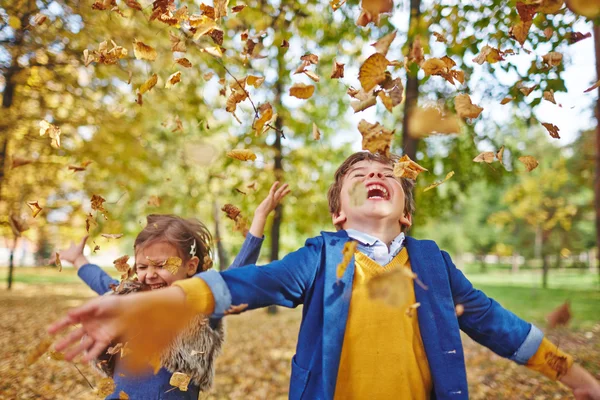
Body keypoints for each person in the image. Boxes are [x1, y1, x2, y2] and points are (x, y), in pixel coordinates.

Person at [49, 152, 600, 400]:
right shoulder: (321, 255)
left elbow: (498, 325)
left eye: (387, 175)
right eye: (361, 175)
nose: (377, 176)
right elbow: (248, 282)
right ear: (340, 211)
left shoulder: (433, 262)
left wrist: (573, 375)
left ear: (405, 209)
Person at [56, 182, 289, 399]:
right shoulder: (129, 297)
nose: (150, 273)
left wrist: (259, 219)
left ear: (190, 266)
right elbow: (102, 282)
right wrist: (79, 260)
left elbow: (238, 272)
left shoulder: (199, 304)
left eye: (161, 265)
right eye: (142, 266)